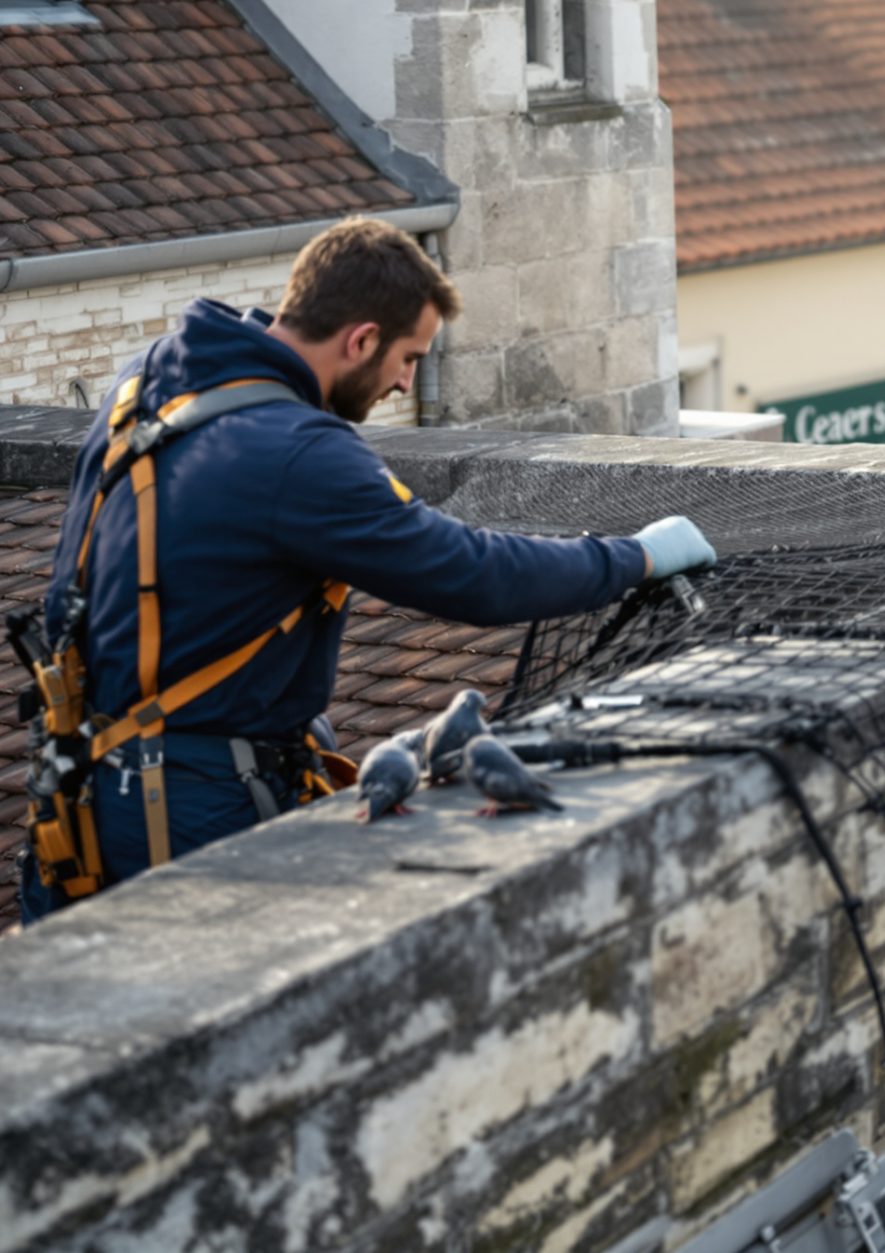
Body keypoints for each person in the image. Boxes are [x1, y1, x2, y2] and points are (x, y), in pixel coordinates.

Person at [19, 218, 717, 917]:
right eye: (407, 357)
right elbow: (473, 573)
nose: (406, 381)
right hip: (189, 807)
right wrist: (636, 556)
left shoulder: (151, 378)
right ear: (360, 340)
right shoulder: (298, 452)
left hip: (81, 786)